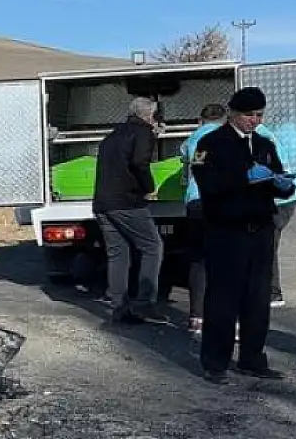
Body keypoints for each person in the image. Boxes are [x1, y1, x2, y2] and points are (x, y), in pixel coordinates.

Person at [189, 87, 293, 384]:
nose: (254, 121)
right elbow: (207, 182)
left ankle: (252, 358)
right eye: (249, 115)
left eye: (259, 115)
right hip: (227, 232)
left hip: (260, 230)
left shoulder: (263, 143)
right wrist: (243, 178)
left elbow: (276, 177)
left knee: (258, 299)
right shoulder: (211, 143)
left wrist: (283, 186)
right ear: (233, 112)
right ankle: (215, 362)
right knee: (223, 299)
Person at [92, 97, 168, 325]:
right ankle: (144, 304)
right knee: (152, 247)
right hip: (127, 202)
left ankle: (119, 307)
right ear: (150, 116)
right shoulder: (142, 133)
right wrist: (149, 187)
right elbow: (139, 163)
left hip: (103, 203)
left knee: (118, 253)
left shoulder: (112, 136)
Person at [178, 103, 226, 340]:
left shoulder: (193, 140)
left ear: (200, 120)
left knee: (198, 262)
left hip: (195, 203)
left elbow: (191, 164)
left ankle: (197, 318)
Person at [254, 122, 296, 307]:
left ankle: (273, 293)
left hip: (278, 203)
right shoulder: (262, 134)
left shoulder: (258, 138)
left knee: (267, 247)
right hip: (283, 201)